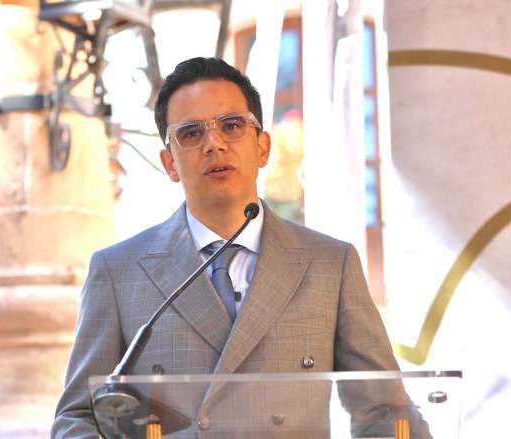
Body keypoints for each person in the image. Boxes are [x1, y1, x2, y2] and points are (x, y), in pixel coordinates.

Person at [52, 57, 422, 438]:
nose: (214, 144)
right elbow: (78, 418)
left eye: (231, 126)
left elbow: (386, 412)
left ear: (262, 147)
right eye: (191, 133)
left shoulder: (329, 264)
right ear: (169, 163)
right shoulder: (118, 272)